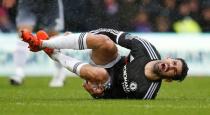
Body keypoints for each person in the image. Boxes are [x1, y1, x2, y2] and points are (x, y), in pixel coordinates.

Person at [21, 28, 189, 99]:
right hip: (110, 60)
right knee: (106, 42)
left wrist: (98, 94)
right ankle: (43, 44)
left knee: (101, 75)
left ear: (167, 79)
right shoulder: (146, 48)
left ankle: (54, 53)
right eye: (173, 62)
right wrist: (82, 35)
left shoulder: (146, 92)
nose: (171, 66)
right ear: (168, 57)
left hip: (107, 82)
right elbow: (111, 33)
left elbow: (116, 99)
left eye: (173, 71)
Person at [2, 0, 66, 87]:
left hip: (50, 3)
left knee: (53, 37)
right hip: (27, 3)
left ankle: (60, 72)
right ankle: (19, 72)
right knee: (23, 33)